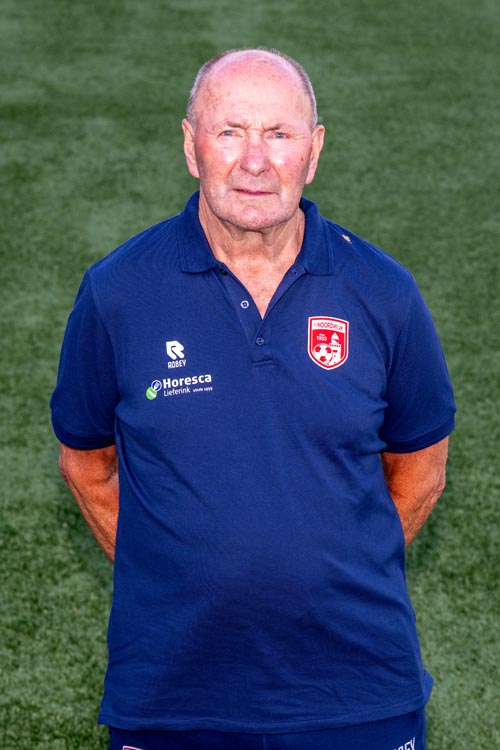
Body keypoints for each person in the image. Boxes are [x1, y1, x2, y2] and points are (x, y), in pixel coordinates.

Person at [51, 48, 456, 750]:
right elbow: (85, 465)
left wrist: (329, 573)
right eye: (230, 131)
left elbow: (421, 470)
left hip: (358, 691)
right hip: (173, 697)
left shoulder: (384, 292)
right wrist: (176, 572)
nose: (255, 161)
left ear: (314, 150)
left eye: (279, 133)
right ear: (191, 146)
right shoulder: (117, 292)